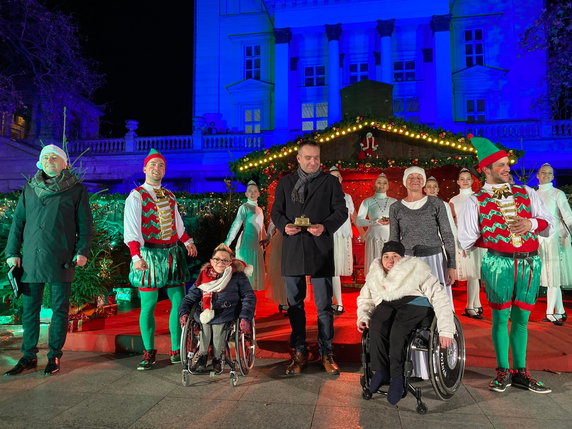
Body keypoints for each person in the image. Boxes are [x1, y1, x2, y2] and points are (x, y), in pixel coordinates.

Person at [458, 137, 554, 393]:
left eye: (506, 164)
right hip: (498, 263)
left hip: (530, 262)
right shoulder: (475, 200)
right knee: (500, 319)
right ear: (486, 170)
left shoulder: (527, 192)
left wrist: (530, 224)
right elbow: (466, 238)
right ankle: (503, 372)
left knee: (522, 319)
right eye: (500, 165)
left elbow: (548, 223)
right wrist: (496, 240)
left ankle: (521, 372)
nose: (506, 168)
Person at [4, 144, 93, 376]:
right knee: (30, 310)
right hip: (31, 258)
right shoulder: (30, 189)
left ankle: (54, 355)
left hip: (61, 256)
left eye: (54, 157)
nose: (49, 160)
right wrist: (12, 252)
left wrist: (82, 250)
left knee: (59, 310)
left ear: (64, 163)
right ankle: (28, 356)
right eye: (45, 157)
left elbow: (85, 225)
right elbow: (18, 223)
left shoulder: (75, 190)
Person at [271, 140, 347, 376]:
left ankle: (327, 352)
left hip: (320, 247)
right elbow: (276, 211)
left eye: (316, 158)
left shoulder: (330, 182)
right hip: (293, 246)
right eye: (308, 157)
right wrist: (284, 226)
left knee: (324, 306)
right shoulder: (286, 182)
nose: (313, 162)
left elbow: (341, 212)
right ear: (298, 159)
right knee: (295, 305)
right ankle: (299, 352)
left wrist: (324, 227)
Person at [124, 149, 198, 370]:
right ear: (145, 169)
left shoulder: (170, 196)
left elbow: (178, 225)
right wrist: (136, 256)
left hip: (172, 254)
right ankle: (148, 351)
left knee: (179, 302)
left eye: (161, 165)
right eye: (153, 164)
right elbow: (132, 229)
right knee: (148, 306)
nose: (157, 168)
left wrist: (187, 242)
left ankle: (177, 348)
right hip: (148, 255)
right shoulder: (136, 195)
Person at [356, 241, 455, 405]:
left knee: (398, 331)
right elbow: (365, 299)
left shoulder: (417, 269)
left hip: (415, 302)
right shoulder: (375, 274)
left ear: (403, 259)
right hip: (388, 303)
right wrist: (364, 317)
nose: (390, 260)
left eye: (395, 256)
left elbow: (440, 298)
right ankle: (380, 371)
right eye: (386, 256)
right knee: (377, 325)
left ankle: (397, 377)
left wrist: (446, 330)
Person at [178, 244, 256, 373]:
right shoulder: (203, 276)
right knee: (205, 325)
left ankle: (217, 357)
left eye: (225, 260)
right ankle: (202, 355)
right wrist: (183, 313)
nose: (220, 263)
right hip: (205, 311)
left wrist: (245, 317)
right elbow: (189, 298)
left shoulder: (238, 276)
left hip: (228, 311)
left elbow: (249, 297)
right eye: (217, 259)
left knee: (217, 326)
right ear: (211, 261)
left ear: (230, 262)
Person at [389, 167, 456, 302]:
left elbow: (447, 235)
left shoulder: (436, 203)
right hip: (408, 261)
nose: (415, 180)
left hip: (434, 260)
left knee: (437, 301)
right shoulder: (395, 207)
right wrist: (393, 265)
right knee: (412, 302)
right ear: (404, 181)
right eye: (411, 177)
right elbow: (394, 239)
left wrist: (451, 265)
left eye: (419, 177)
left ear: (423, 181)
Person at [536, 163, 572, 325]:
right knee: (548, 276)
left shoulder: (558, 193)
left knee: (553, 277)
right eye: (543, 173)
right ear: (538, 175)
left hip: (554, 240)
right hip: (538, 241)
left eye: (550, 173)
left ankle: (551, 312)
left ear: (553, 176)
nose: (547, 175)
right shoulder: (533, 195)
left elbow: (567, 215)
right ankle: (561, 311)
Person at [449, 168, 486, 319]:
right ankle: (474, 305)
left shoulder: (478, 197)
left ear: (472, 181)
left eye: (468, 179)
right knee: (472, 273)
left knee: (475, 273)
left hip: (476, 239)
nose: (465, 181)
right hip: (461, 239)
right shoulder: (453, 200)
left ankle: (472, 306)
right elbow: (453, 222)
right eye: (462, 179)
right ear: (458, 182)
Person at [224, 180, 266, 291]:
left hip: (256, 244)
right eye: (250, 191)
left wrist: (265, 239)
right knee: (246, 273)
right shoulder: (244, 207)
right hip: (246, 244)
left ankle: (250, 301)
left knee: (253, 281)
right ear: (246, 194)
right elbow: (236, 224)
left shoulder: (260, 209)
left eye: (255, 191)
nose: (252, 193)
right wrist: (227, 242)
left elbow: (262, 226)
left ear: (259, 193)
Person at [356, 173, 397, 275]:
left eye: (384, 183)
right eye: (379, 182)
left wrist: (392, 221)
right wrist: (375, 222)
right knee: (375, 265)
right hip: (373, 237)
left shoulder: (394, 202)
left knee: (391, 267)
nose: (381, 185)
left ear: (388, 186)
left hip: (390, 237)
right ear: (374, 185)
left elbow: (400, 220)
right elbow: (359, 221)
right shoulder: (367, 202)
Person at [329, 166, 355, 314]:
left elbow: (353, 216)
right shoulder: (323, 196)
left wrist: (364, 232)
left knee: (336, 271)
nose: (335, 179)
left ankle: (338, 303)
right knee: (331, 271)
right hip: (330, 236)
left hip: (343, 235)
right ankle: (335, 302)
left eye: (337, 176)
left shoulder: (347, 197)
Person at [263, 221, 288, 313]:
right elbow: (273, 223)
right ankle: (285, 301)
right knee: (281, 272)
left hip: (292, 240)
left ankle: (288, 302)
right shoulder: (280, 207)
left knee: (286, 272)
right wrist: (268, 237)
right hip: (281, 241)